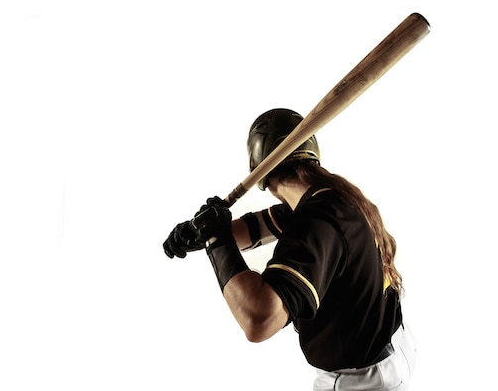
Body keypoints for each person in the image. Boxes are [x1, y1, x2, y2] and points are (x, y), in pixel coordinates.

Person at [163, 108, 417, 390]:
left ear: (262, 174)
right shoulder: (330, 198)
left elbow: (258, 319)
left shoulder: (316, 222)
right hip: (388, 348)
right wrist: (199, 232)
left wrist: (217, 241)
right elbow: (254, 229)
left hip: (362, 380)